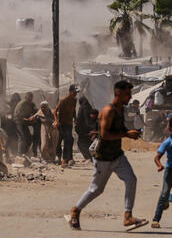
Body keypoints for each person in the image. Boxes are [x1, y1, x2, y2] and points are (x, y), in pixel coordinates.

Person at [67, 80, 147, 231]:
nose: (130, 97)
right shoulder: (108, 110)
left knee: (131, 180)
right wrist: (126, 134)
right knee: (96, 189)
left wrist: (131, 133)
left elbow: (120, 129)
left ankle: (128, 216)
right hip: (103, 157)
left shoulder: (120, 110)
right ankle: (75, 210)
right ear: (118, 94)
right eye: (127, 94)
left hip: (117, 155)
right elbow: (105, 134)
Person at [55, 85, 79, 166]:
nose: (76, 94)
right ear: (71, 91)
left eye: (76, 92)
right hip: (62, 123)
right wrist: (56, 120)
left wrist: (75, 119)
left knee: (68, 140)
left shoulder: (74, 100)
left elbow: (74, 110)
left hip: (69, 123)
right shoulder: (63, 100)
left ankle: (68, 158)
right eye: (75, 92)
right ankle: (63, 159)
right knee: (66, 140)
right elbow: (55, 111)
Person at [14, 92, 38, 157]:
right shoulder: (21, 104)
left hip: (25, 122)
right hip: (19, 122)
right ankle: (19, 154)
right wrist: (26, 119)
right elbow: (17, 116)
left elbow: (35, 111)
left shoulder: (31, 104)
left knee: (29, 138)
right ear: (26, 97)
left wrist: (34, 117)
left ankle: (25, 152)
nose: (30, 99)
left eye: (31, 98)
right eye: (29, 98)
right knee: (22, 138)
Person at [75, 97, 97, 162]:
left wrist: (77, 127)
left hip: (83, 129)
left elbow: (80, 118)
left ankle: (88, 157)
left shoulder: (82, 107)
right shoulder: (89, 107)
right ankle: (92, 157)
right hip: (89, 129)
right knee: (89, 142)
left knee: (80, 143)